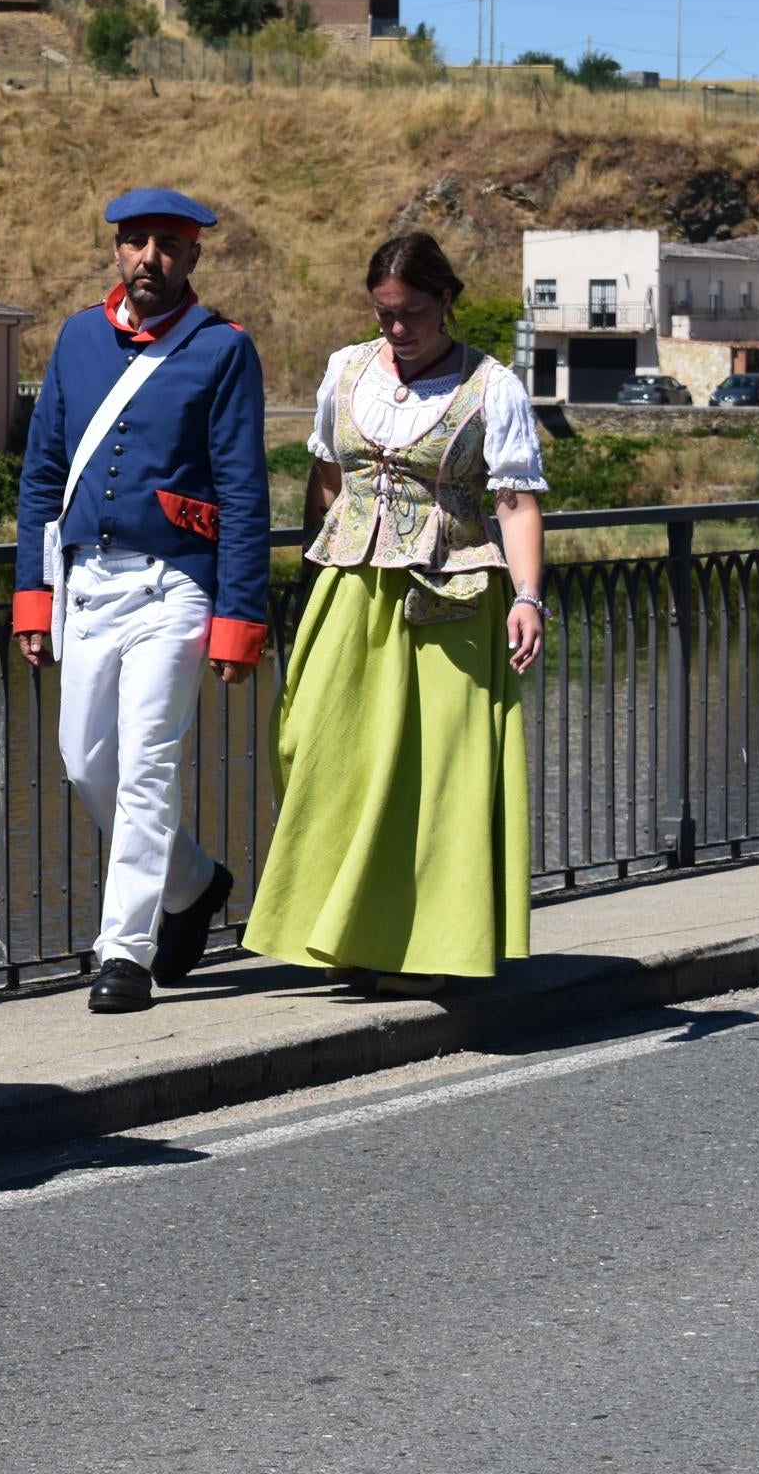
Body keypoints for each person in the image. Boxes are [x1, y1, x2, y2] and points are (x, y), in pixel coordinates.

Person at [242, 231, 545, 995]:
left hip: (450, 601)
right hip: (350, 589)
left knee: (433, 776)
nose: (396, 329)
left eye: (410, 314)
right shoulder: (346, 370)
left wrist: (530, 597)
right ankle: (340, 928)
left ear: (445, 302)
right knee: (319, 751)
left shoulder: (491, 387)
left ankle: (420, 943)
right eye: (383, 314)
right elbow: (326, 476)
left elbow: (514, 500)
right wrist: (311, 569)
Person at [13, 188, 270, 1015]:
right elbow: (43, 475)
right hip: (86, 584)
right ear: (117, 251)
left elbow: (242, 488)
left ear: (194, 256)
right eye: (135, 242)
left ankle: (123, 951)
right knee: (86, 763)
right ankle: (193, 883)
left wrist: (239, 617)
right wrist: (31, 596)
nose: (149, 257)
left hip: (176, 587)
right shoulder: (79, 338)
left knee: (148, 765)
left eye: (167, 243)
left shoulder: (224, 349)